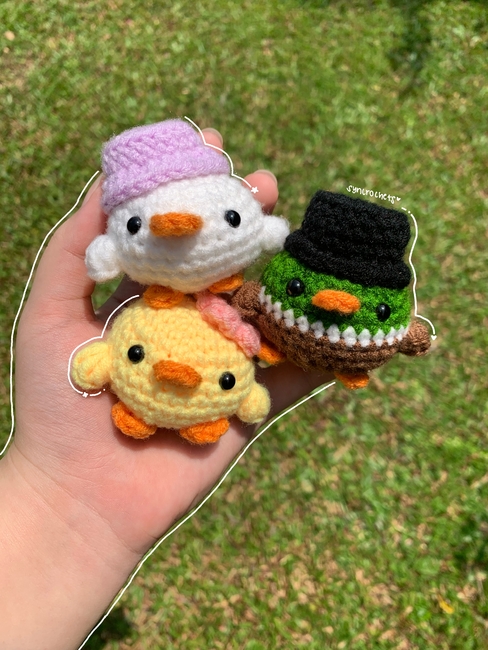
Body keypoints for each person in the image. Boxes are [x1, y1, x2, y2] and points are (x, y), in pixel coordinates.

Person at [0, 128, 331, 650]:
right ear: (112, 249)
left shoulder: (227, 320)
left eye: (228, 219)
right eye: (137, 226)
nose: (181, 227)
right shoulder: (143, 321)